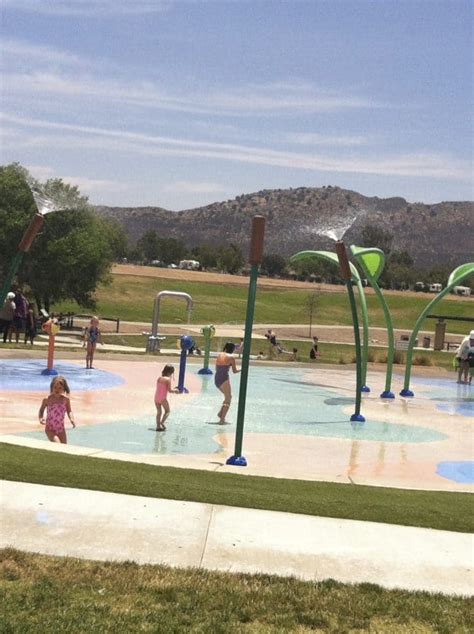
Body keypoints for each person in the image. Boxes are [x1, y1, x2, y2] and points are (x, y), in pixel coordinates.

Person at [38, 375, 75, 444]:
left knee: (64, 448)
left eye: (60, 388)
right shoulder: (47, 399)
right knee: (58, 444)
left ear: (64, 389)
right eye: (55, 387)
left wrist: (71, 419)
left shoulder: (65, 400)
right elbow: (41, 410)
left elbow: (69, 410)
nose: (57, 390)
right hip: (50, 428)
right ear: (51, 387)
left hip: (61, 429)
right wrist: (40, 418)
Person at [215, 342, 240, 424]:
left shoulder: (220, 355)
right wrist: (242, 369)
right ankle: (222, 419)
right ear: (232, 349)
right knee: (228, 398)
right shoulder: (231, 358)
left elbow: (216, 367)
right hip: (224, 379)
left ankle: (220, 413)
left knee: (228, 396)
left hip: (217, 379)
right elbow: (234, 371)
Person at [155, 364, 179, 431]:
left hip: (156, 397)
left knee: (159, 412)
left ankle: (158, 426)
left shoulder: (159, 378)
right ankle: (162, 422)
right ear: (171, 372)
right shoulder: (168, 380)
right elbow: (169, 390)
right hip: (163, 398)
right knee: (167, 411)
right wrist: (175, 390)